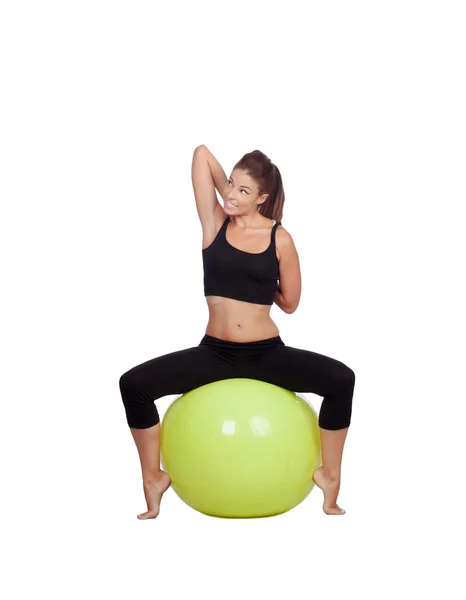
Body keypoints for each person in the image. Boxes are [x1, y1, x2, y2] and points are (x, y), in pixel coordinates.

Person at [119, 144, 356, 520]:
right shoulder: (214, 222)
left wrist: (261, 283)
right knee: (133, 384)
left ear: (263, 198)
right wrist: (232, 189)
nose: (230, 194)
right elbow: (200, 155)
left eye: (244, 191)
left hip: (266, 354)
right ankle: (153, 478)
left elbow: (290, 303)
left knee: (342, 379)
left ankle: (329, 475)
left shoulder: (281, 238)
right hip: (215, 353)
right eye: (229, 183)